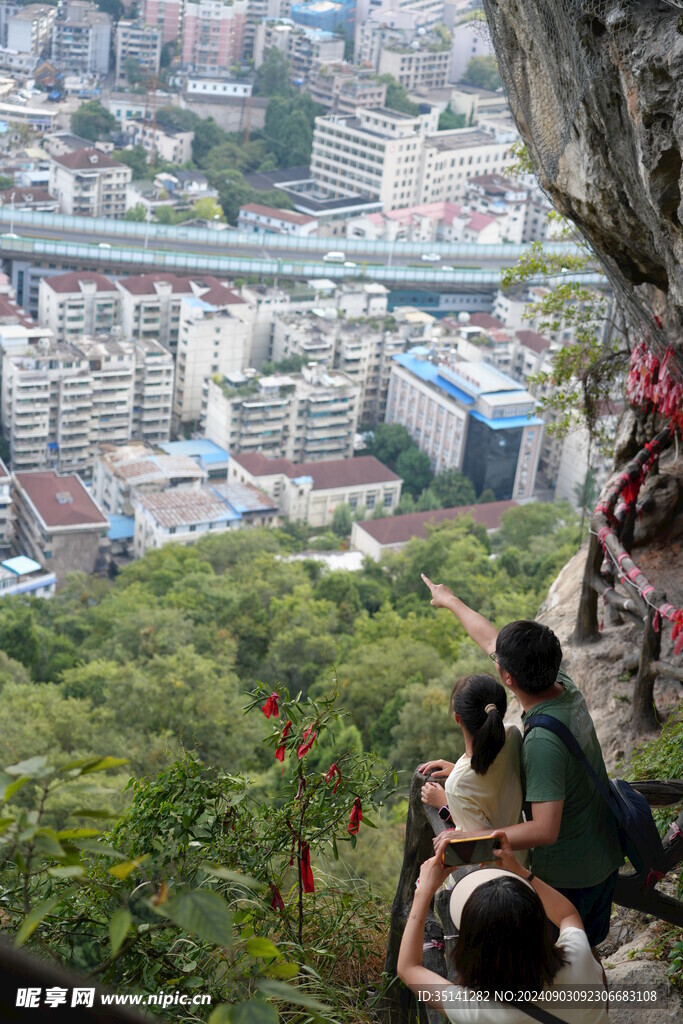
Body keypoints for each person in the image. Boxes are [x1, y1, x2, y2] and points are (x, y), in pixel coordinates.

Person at [421, 574, 623, 949]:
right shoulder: (559, 683)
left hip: (574, 872)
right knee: (583, 952)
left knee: (559, 957)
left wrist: (475, 839)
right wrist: (449, 600)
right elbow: (490, 640)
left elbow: (544, 830)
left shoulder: (541, 742)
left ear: (507, 677)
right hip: (600, 845)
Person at [397, 831, 609, 1023]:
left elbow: (408, 968)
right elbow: (567, 915)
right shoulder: (578, 958)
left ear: (472, 951)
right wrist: (518, 870)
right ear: (540, 927)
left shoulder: (475, 1010)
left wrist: (423, 891)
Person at [418, 674, 525, 849]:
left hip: (494, 873)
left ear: (457, 718)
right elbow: (489, 778)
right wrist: (457, 770)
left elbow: (481, 844)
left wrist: (445, 803)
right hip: (522, 859)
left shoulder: (458, 786)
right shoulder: (512, 736)